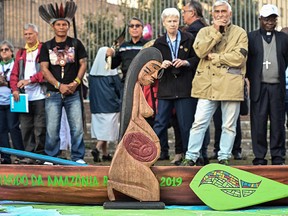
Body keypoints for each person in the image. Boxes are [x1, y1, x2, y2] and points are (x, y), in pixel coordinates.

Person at [182, 0, 248, 166]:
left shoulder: (240, 33)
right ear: (212, 14)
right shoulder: (204, 32)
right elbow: (200, 51)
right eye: (217, 12)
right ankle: (191, 156)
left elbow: (239, 58)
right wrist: (217, 33)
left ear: (230, 14)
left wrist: (217, 57)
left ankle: (224, 157)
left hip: (230, 84)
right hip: (207, 84)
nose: (220, 15)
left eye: (223, 11)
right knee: (199, 123)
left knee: (229, 125)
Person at [39, 1, 88, 164]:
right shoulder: (46, 46)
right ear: (53, 27)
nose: (61, 27)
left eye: (64, 24)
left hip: (73, 92)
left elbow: (83, 64)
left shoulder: (76, 44)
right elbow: (44, 69)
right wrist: (59, 86)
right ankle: (51, 157)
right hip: (53, 92)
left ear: (68, 26)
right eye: (58, 24)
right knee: (52, 128)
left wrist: (75, 82)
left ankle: (78, 157)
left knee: (77, 127)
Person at [152, 8, 199, 163]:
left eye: (175, 21)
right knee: (160, 123)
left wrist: (185, 62)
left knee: (186, 124)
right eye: (169, 21)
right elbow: (152, 65)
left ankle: (188, 156)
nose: (172, 24)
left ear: (179, 22)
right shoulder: (158, 42)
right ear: (164, 23)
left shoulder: (188, 38)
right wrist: (161, 64)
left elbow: (197, 59)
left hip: (184, 87)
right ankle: (153, 154)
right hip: (166, 87)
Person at [247, 4, 288, 165]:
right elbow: (248, 62)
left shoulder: (284, 38)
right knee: (258, 122)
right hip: (259, 87)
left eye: (273, 18)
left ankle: (278, 155)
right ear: (260, 20)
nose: (270, 22)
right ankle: (259, 156)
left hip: (277, 87)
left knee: (278, 122)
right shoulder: (251, 37)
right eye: (266, 19)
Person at [10, 23, 46, 164]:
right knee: (25, 128)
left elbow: (45, 72)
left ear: (36, 34)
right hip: (24, 97)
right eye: (25, 34)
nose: (28, 36)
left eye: (30, 34)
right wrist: (14, 89)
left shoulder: (43, 49)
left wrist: (30, 80)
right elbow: (14, 74)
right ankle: (29, 156)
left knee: (40, 128)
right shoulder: (21, 52)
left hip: (40, 95)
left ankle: (40, 156)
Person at [182, 0, 210, 165]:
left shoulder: (193, 31)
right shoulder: (204, 28)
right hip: (203, 79)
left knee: (198, 119)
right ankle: (202, 153)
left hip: (194, 79)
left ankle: (197, 154)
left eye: (185, 12)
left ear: (192, 13)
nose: (183, 15)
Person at [89, 47, 122, 163]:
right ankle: (97, 148)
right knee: (108, 131)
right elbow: (119, 88)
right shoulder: (111, 73)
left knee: (102, 130)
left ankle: (105, 154)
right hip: (110, 106)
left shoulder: (92, 75)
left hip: (96, 107)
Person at [0, 40, 24, 164]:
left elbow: (18, 81)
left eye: (6, 49)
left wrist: (6, 83)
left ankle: (20, 155)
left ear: (11, 52)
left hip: (12, 101)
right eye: (1, 50)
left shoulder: (15, 64)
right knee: (2, 129)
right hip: (0, 102)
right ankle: (5, 156)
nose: (4, 52)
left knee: (13, 127)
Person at [106, 17, 148, 85]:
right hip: (126, 83)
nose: (134, 28)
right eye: (131, 26)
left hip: (144, 83)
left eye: (137, 26)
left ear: (142, 28)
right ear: (129, 29)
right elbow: (112, 65)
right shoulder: (123, 46)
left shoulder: (148, 45)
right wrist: (109, 55)